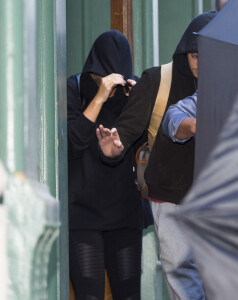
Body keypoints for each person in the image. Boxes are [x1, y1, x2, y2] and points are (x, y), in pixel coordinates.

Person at [96, 12, 217, 300]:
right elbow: (125, 132)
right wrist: (113, 146)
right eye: (194, 55)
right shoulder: (158, 79)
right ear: (184, 52)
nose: (200, 62)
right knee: (184, 282)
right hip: (171, 197)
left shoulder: (232, 84)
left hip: (217, 200)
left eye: (208, 54)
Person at [67, 30, 151, 300]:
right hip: (82, 212)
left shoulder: (136, 89)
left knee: (129, 295)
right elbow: (74, 142)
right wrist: (100, 96)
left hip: (125, 210)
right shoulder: (76, 87)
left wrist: (140, 102)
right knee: (88, 295)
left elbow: (150, 145)